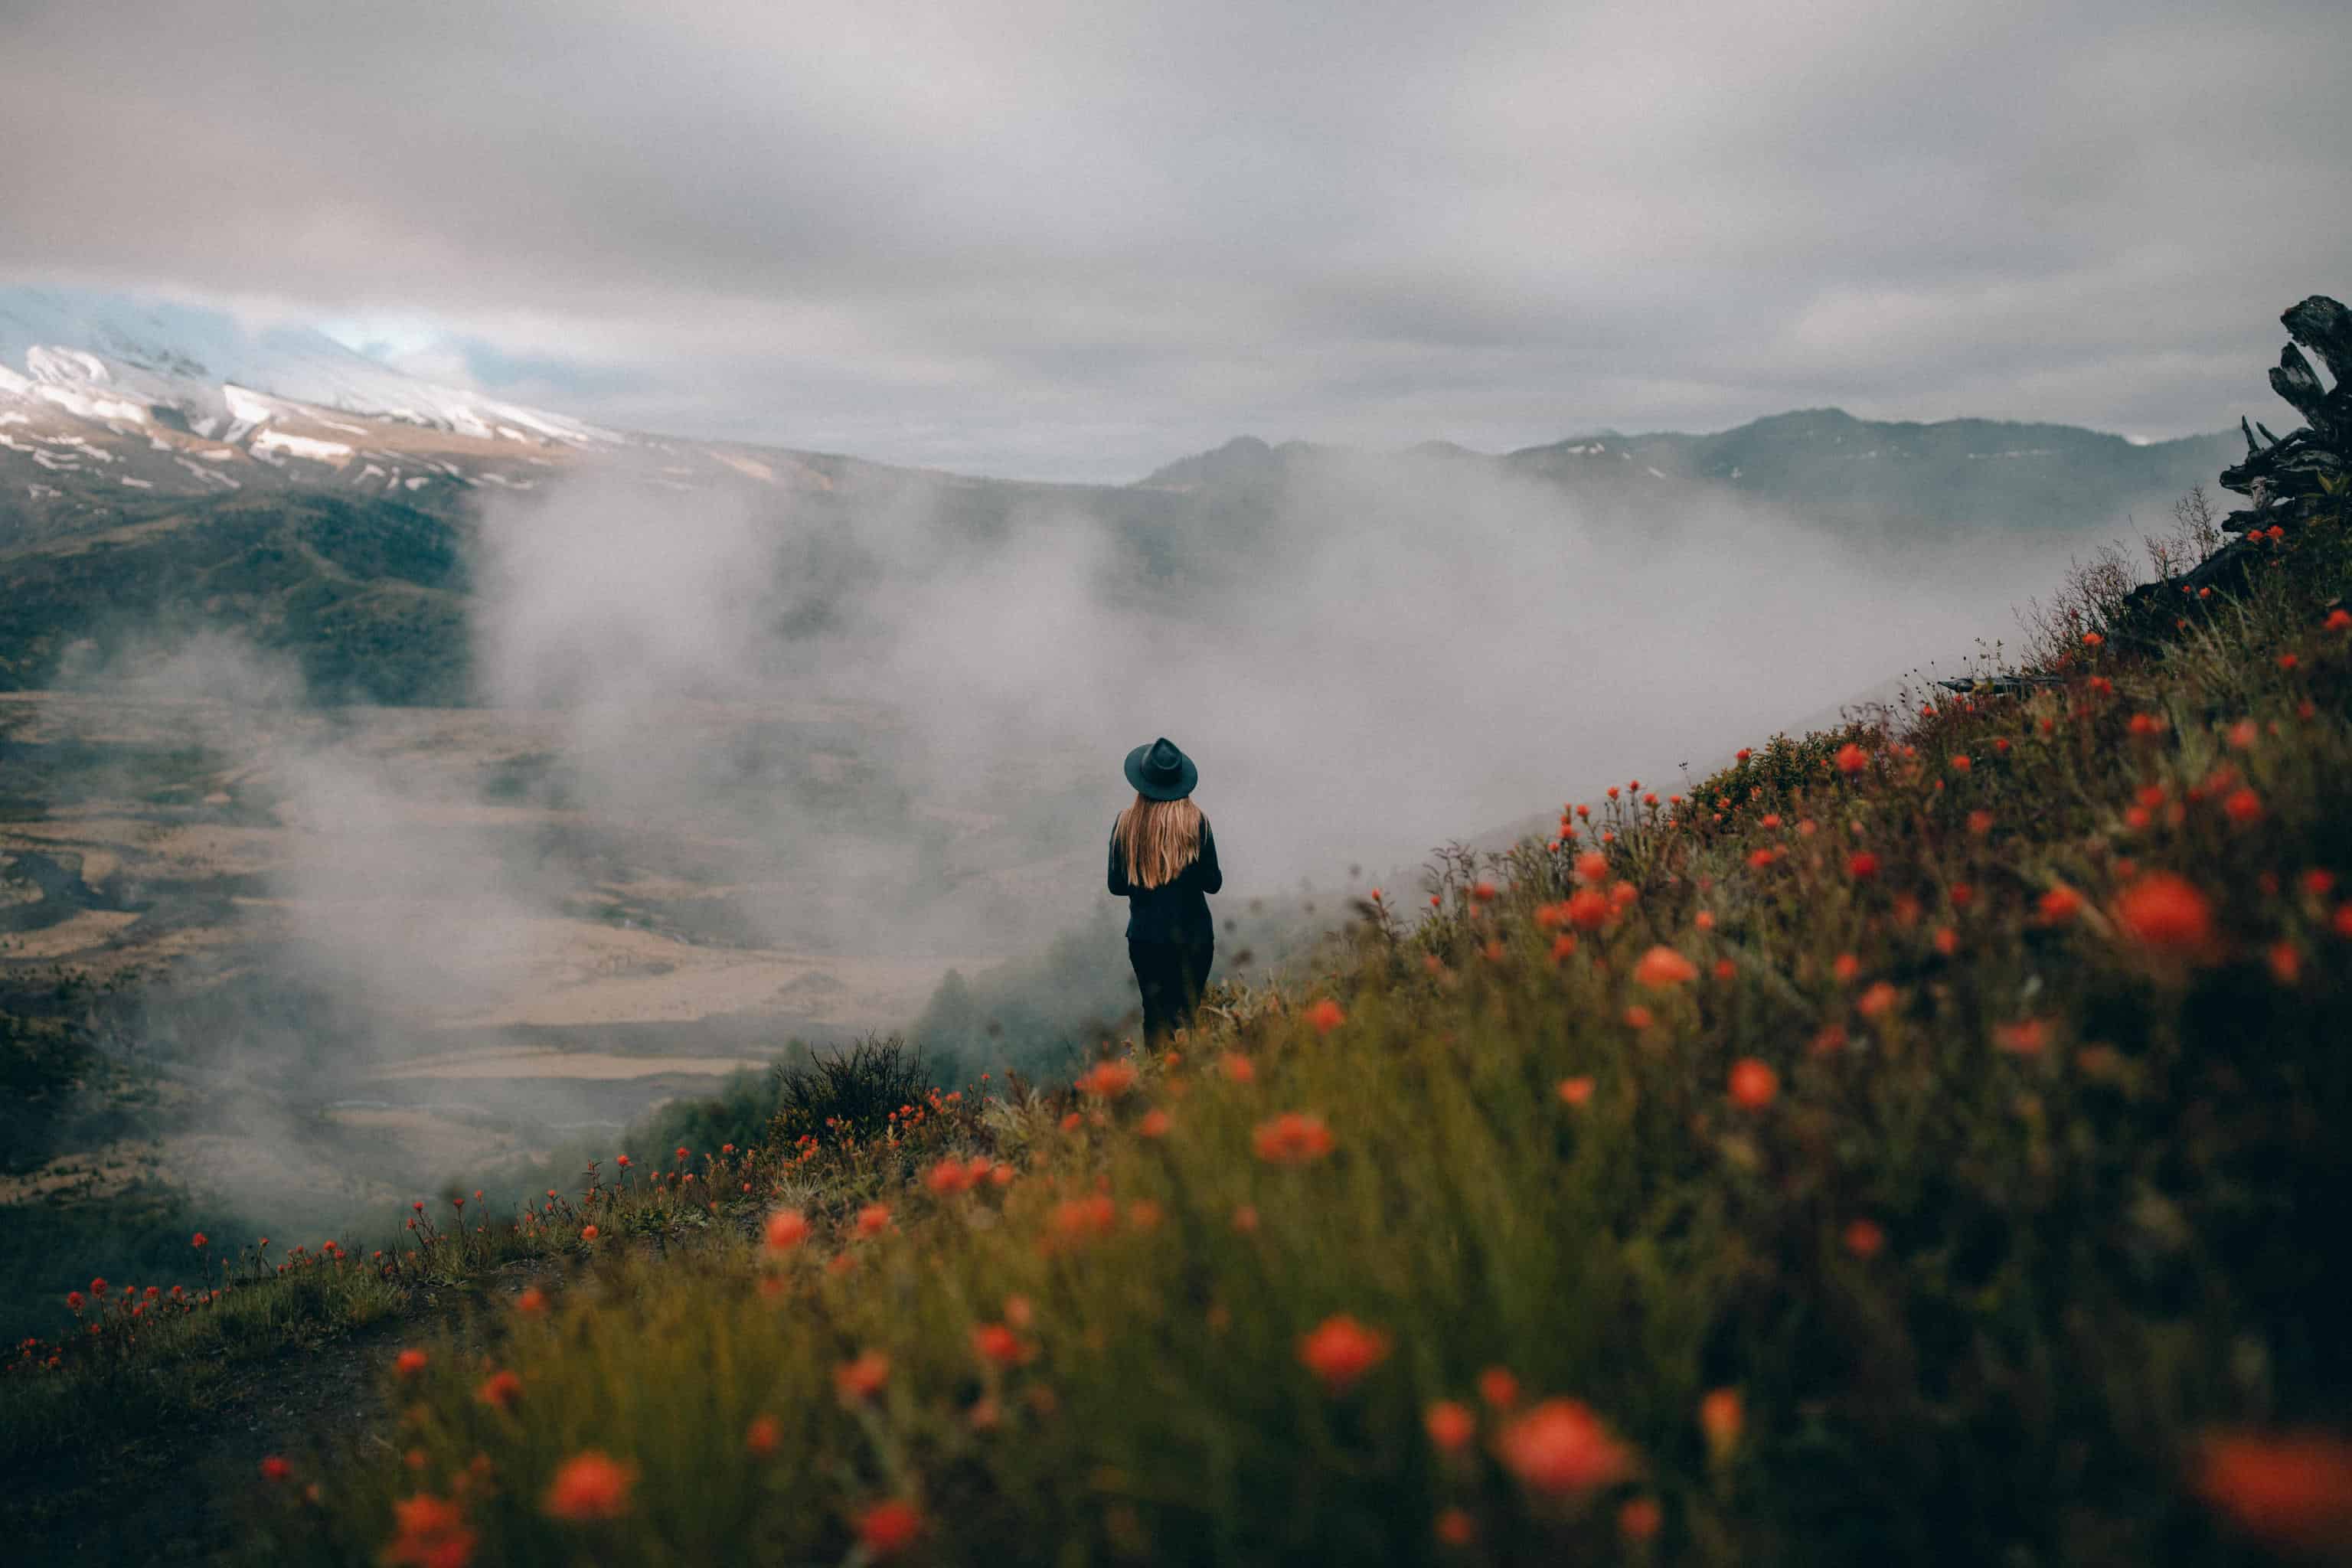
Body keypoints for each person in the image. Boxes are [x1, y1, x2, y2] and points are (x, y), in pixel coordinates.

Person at [1107, 737, 1221, 1046]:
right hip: (1194, 937)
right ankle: (1192, 1080)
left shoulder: (1125, 825)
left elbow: (1116, 886)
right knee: (1189, 1016)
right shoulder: (1198, 823)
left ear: (1142, 781)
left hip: (1146, 940)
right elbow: (1213, 883)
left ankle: (1160, 1084)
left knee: (1156, 1018)